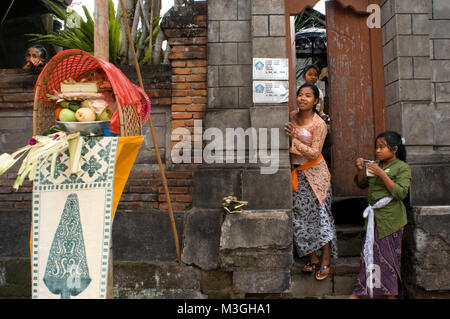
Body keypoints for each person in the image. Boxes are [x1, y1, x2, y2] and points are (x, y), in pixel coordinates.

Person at [284, 82, 337, 281]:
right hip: (297, 174)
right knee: (301, 217)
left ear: (315, 101)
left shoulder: (319, 124)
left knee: (321, 216)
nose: (303, 98)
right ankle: (312, 257)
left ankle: (325, 258)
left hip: (317, 175)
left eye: (308, 95)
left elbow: (315, 153)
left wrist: (293, 140)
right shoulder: (291, 116)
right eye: (300, 95)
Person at [348, 131, 411, 299]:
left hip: (392, 220)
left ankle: (391, 294)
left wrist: (382, 174)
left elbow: (400, 193)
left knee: (389, 259)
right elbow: (361, 184)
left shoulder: (402, 168)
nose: (377, 151)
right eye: (376, 147)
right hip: (374, 219)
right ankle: (360, 291)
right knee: (369, 255)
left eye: (382, 147)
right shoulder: (375, 165)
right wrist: (361, 169)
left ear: (395, 149)